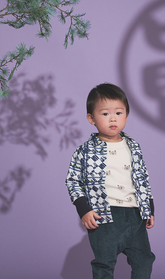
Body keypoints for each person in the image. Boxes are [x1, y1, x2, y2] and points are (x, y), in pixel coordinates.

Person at [65, 83, 155, 279]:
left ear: (126, 116)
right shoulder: (85, 150)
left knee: (144, 259)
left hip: (135, 214)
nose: (113, 118)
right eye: (105, 114)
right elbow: (73, 180)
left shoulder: (133, 147)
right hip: (104, 215)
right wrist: (84, 209)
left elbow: (142, 178)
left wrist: (149, 208)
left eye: (119, 112)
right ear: (91, 118)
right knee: (104, 263)